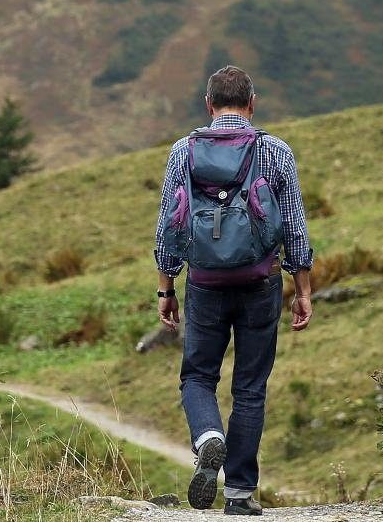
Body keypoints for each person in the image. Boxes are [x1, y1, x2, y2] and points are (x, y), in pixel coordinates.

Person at [153, 65, 314, 515]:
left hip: (203, 283)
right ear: (252, 103)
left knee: (198, 375)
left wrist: (166, 288)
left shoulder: (183, 151)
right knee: (250, 387)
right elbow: (296, 228)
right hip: (260, 281)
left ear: (208, 105)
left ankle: (208, 437)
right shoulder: (275, 151)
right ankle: (240, 493)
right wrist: (302, 288)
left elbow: (169, 225)